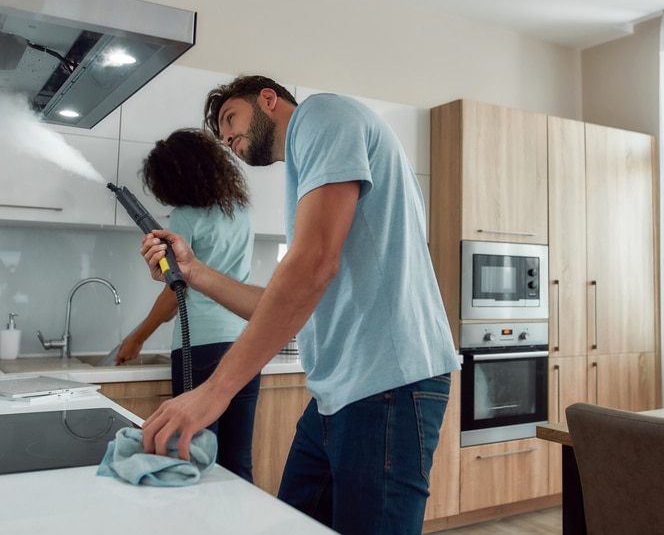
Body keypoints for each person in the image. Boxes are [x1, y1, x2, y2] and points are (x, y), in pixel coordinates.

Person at [138, 75, 459, 535]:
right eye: (222, 136)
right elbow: (280, 304)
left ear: (268, 100)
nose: (227, 139)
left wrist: (215, 390)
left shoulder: (323, 115)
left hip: (388, 383)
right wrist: (193, 271)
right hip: (338, 394)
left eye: (231, 119)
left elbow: (312, 265)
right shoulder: (310, 172)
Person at [119, 127, 259, 483]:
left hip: (199, 346)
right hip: (246, 341)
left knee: (193, 455)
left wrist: (137, 338)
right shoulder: (241, 211)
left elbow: (174, 292)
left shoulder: (185, 217)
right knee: (237, 459)